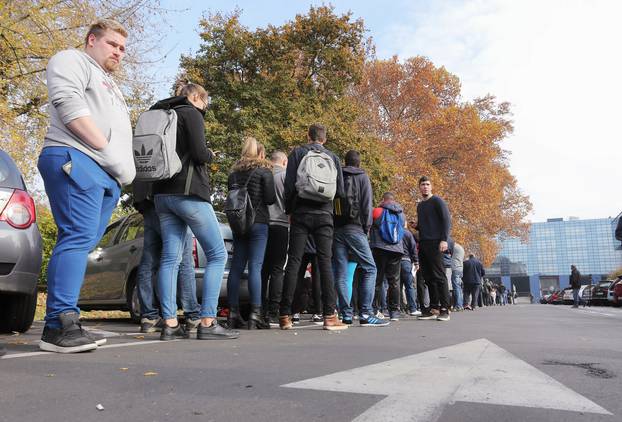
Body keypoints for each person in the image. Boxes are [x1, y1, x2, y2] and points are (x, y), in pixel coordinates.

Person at [37, 19, 134, 353]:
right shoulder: (72, 59)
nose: (118, 53)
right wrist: (106, 150)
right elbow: (69, 105)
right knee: (76, 237)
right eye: (112, 44)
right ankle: (60, 325)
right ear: (92, 40)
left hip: (106, 173)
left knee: (83, 243)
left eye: (122, 48)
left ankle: (64, 321)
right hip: (77, 158)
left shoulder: (109, 83)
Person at [152, 83, 238, 341]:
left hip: (161, 194)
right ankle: (208, 321)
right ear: (196, 97)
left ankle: (169, 323)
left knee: (169, 258)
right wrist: (211, 154)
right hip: (188, 193)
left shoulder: (160, 112)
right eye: (205, 103)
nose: (205, 108)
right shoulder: (191, 113)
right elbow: (199, 154)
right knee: (217, 254)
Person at [279, 124, 346, 331]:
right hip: (324, 215)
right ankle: (328, 315)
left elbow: (289, 186)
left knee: (294, 263)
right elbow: (340, 193)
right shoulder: (333, 158)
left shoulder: (298, 153)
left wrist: (290, 211)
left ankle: (285, 315)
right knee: (325, 263)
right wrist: (334, 214)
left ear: (308, 136)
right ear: (324, 139)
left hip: (301, 214)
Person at [133, 182, 200, 333]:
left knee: (148, 262)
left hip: (146, 200)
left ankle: (149, 317)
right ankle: (192, 316)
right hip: (167, 196)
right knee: (183, 260)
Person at [332, 150, 387, 326]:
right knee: (370, 269)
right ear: (358, 163)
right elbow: (366, 205)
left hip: (338, 229)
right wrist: (366, 229)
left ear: (345, 161)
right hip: (356, 228)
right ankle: (366, 313)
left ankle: (346, 314)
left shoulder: (337, 175)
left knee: (341, 273)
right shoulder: (363, 177)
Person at [226, 137, 275, 329]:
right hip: (259, 222)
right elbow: (270, 199)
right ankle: (256, 314)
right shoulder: (264, 172)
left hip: (239, 225)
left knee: (236, 267)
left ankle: (232, 313)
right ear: (259, 153)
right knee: (256, 267)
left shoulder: (233, 175)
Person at [415, 176, 452, 322]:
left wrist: (444, 239)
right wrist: (416, 225)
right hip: (423, 243)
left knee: (439, 276)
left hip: (436, 242)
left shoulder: (437, 201)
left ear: (431, 186)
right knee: (428, 277)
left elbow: (446, 220)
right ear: (419, 187)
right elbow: (427, 223)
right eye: (422, 184)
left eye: (427, 184)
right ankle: (434, 308)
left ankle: (445, 309)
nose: (425, 187)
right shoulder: (420, 205)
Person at [261, 151, 289, 325]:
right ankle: (273, 311)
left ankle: (260, 309)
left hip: (262, 224)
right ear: (284, 161)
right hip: (280, 224)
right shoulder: (286, 176)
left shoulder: (263, 174)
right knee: (278, 269)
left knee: (262, 269)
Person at [370, 192, 406, 321]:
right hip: (396, 250)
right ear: (393, 200)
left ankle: (375, 309)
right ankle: (394, 312)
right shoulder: (401, 214)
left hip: (380, 248)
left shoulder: (377, 211)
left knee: (377, 280)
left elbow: (369, 225)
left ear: (383, 199)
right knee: (394, 282)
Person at [401, 222, 420, 316]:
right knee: (409, 286)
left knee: (396, 286)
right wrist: (416, 262)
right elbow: (413, 248)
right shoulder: (408, 233)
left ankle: (397, 309)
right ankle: (412, 308)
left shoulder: (394, 231)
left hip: (395, 261)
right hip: (406, 260)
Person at [451, 242, 465, 311]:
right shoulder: (461, 248)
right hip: (460, 269)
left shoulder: (454, 247)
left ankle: (458, 305)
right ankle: (460, 305)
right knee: (459, 288)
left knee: (456, 287)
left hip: (455, 268)